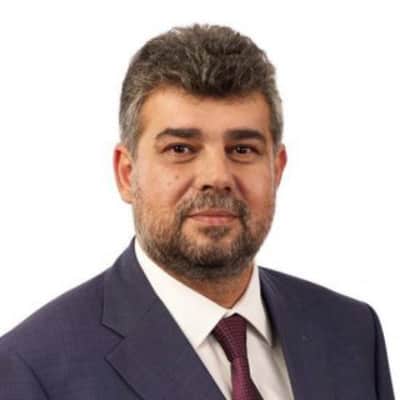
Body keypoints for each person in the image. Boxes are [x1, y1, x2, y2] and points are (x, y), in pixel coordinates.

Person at [0, 23, 395, 400]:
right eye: (181, 149)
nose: (216, 177)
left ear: (276, 170)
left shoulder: (353, 333)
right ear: (126, 174)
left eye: (242, 149)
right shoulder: (33, 369)